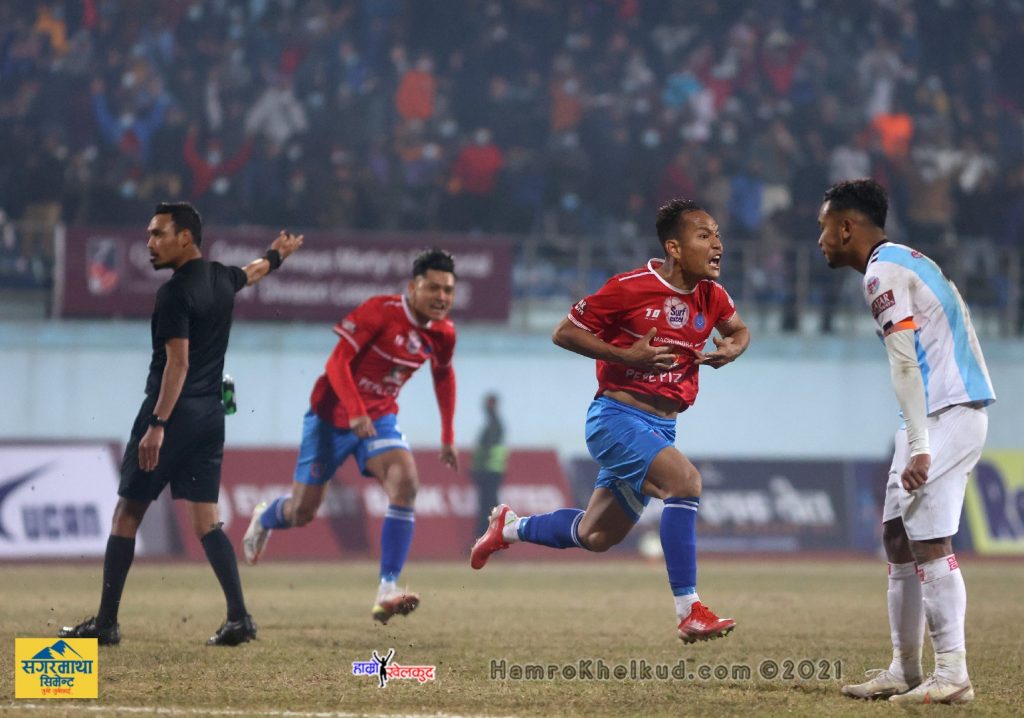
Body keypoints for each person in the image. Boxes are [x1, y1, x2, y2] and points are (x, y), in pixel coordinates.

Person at [471, 199, 750, 643]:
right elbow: (563, 332)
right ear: (674, 247)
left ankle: (508, 527)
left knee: (596, 534)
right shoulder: (629, 287)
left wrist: (732, 349)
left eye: (717, 235)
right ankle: (689, 610)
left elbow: (739, 330)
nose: (717, 244)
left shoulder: (713, 296)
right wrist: (626, 356)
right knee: (685, 483)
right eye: (704, 236)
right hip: (616, 419)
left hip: (662, 427)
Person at [59, 202, 303, 647]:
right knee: (207, 520)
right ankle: (239, 618)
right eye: (149, 235)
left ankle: (106, 623)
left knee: (127, 513)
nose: (149, 243)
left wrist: (157, 423)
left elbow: (178, 363)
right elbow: (253, 273)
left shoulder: (173, 294)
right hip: (210, 416)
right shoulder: (222, 277)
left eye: (158, 234)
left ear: (185, 237)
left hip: (171, 416)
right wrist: (277, 255)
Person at [817, 179, 994, 705]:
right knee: (896, 537)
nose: (820, 240)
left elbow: (905, 364)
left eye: (823, 228)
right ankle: (906, 669)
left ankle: (953, 674)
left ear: (846, 227)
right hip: (928, 415)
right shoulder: (897, 261)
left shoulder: (883, 273)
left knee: (929, 542)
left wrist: (919, 445)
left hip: (948, 412)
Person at [243, 248, 458, 624]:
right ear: (413, 287)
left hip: (379, 420)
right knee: (302, 512)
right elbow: (337, 362)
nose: (442, 297)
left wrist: (447, 433)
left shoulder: (443, 333)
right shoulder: (379, 311)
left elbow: (443, 375)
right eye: (434, 288)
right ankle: (266, 517)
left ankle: (387, 588)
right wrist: (355, 409)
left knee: (406, 482)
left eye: (448, 290)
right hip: (330, 417)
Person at [471, 393, 508, 539]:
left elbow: (487, 449)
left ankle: (489, 538)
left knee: (488, 506)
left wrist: (479, 468)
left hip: (489, 471)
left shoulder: (494, 425)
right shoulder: (495, 424)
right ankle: (492, 537)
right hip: (491, 471)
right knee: (490, 505)